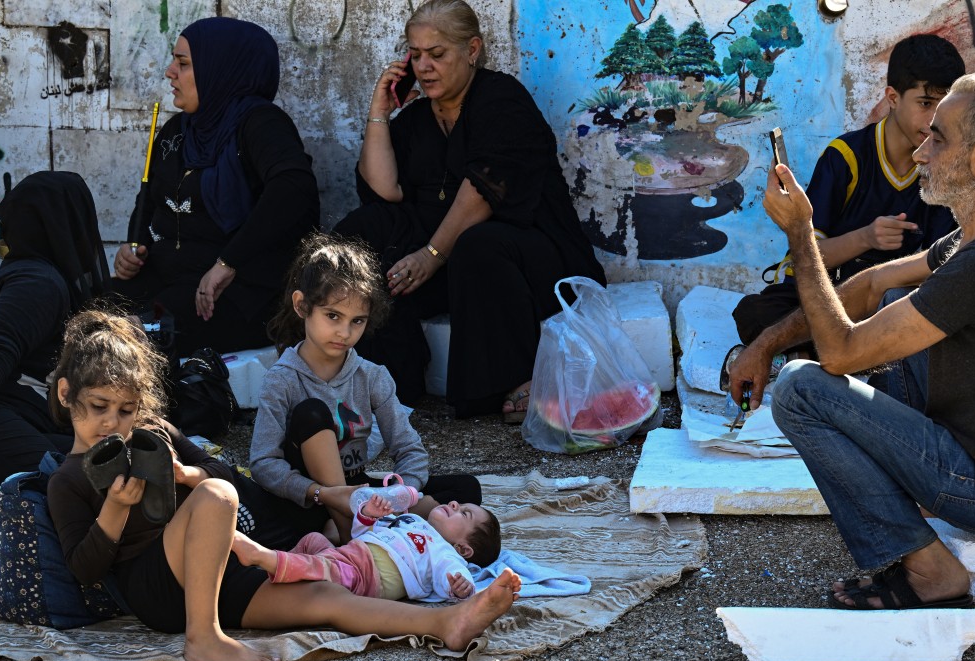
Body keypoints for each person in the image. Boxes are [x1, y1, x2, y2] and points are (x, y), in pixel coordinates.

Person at [735, 71, 975, 610]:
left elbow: (838, 353)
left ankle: (929, 569)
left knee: (799, 390)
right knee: (886, 304)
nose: (920, 153)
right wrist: (764, 342)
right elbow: (870, 282)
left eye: (939, 138)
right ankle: (912, 496)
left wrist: (799, 234)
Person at [47, 310, 520, 661]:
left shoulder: (154, 431)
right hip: (159, 586)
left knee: (324, 597)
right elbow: (85, 568)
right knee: (215, 496)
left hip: (218, 572)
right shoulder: (67, 479)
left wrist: (187, 474)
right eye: (99, 407)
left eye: (127, 409)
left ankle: (448, 624)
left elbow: (223, 472)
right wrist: (114, 509)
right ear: (67, 394)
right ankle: (204, 638)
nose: (114, 422)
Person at [333, 0, 605, 420]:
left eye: (437, 54)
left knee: (478, 244)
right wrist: (379, 113)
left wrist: (431, 254)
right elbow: (383, 190)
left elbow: (483, 191)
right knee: (363, 228)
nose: (424, 67)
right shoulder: (418, 118)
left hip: (527, 261)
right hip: (448, 263)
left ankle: (514, 379)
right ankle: (387, 377)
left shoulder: (501, 101)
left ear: (472, 50)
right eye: (415, 54)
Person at [732, 34, 965, 348]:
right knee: (757, 315)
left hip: (894, 303)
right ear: (893, 98)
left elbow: (943, 266)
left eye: (945, 105)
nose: (935, 120)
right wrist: (866, 238)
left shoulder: (945, 163)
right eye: (925, 103)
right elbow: (807, 257)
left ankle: (832, 353)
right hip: (833, 294)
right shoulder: (846, 157)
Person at [251, 232, 482, 545]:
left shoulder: (372, 376)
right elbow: (264, 464)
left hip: (359, 491)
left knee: (466, 490)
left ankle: (365, 527)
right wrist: (323, 494)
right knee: (311, 414)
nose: (344, 332)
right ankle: (351, 531)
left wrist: (397, 496)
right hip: (312, 499)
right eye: (332, 316)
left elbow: (409, 450)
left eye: (357, 321)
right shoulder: (282, 379)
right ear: (302, 305)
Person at [112, 16, 319, 357]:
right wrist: (134, 249)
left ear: (220, 69)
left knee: (149, 326)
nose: (169, 72)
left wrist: (228, 262)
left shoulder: (261, 124)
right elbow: (149, 200)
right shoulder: (179, 131)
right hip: (170, 278)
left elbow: (294, 189)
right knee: (95, 307)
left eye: (183, 63)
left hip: (235, 294)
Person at [0, 171, 109, 590]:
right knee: (69, 492)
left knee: (110, 471)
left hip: (15, 422)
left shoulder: (44, 277)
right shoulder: (39, 281)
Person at [232, 489, 501, 602]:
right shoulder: (412, 521)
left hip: (366, 577)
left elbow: (452, 576)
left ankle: (265, 559)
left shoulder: (443, 551)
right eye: (459, 504)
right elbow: (362, 535)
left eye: (464, 514)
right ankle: (265, 576)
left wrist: (462, 588)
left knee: (322, 567)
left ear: (463, 549)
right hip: (351, 553)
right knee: (312, 540)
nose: (454, 504)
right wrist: (369, 516)